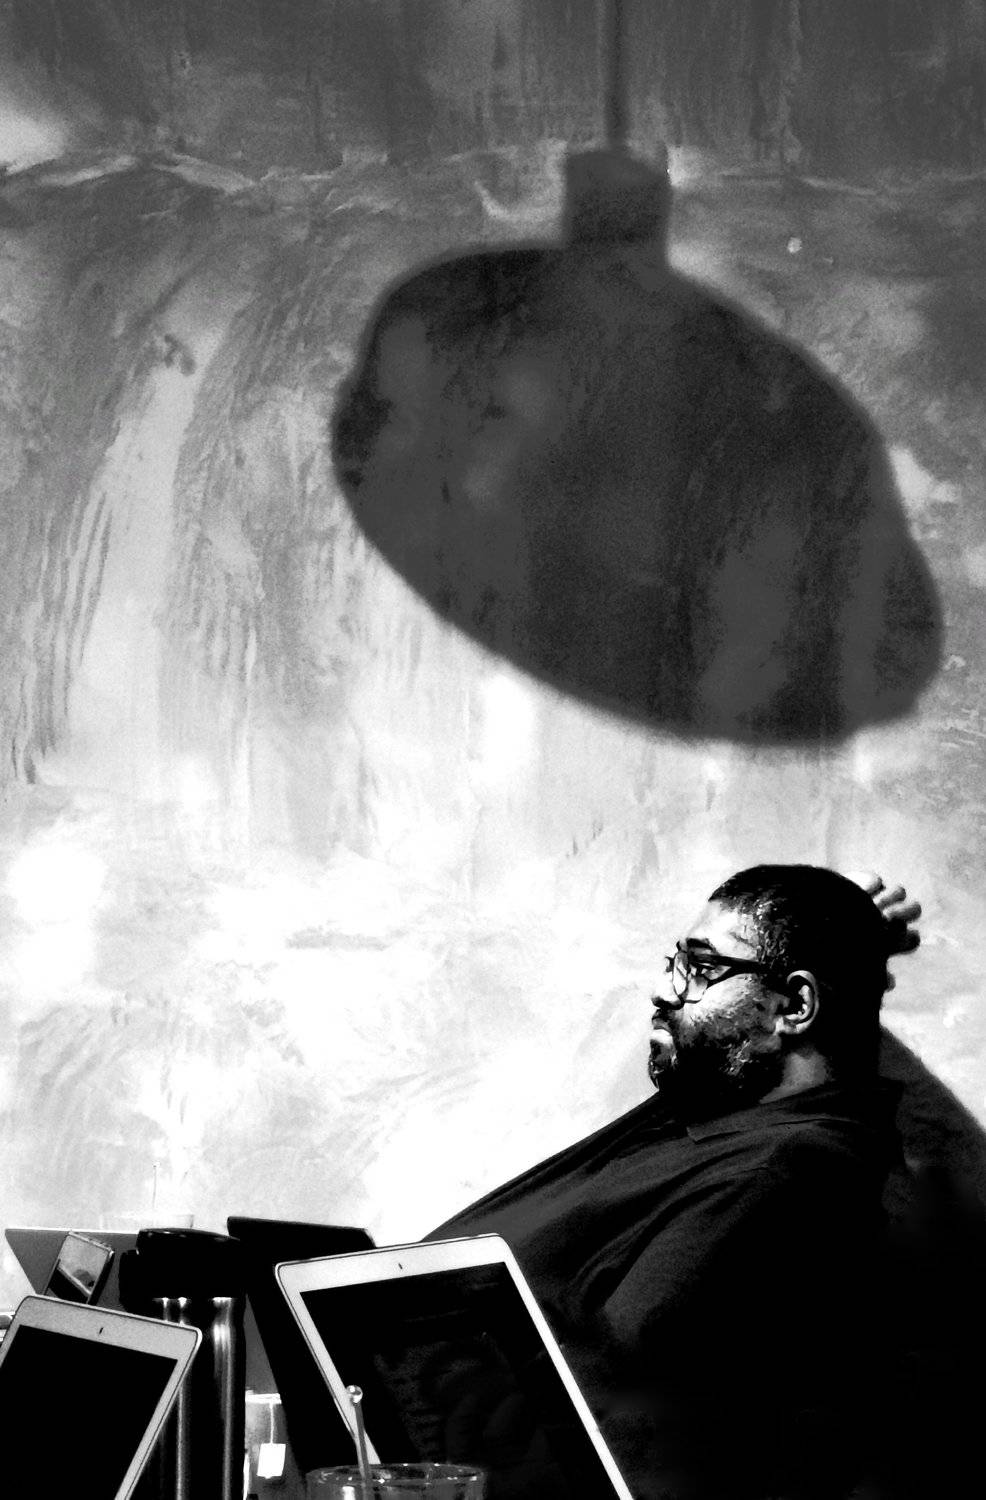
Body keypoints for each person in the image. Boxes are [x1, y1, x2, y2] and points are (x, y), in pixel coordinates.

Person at [426, 866, 920, 1500]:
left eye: (700, 968)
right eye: (675, 962)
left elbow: (604, 1430)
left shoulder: (780, 1173)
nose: (662, 990)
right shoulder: (722, 1102)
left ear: (795, 1007)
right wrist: (841, 928)